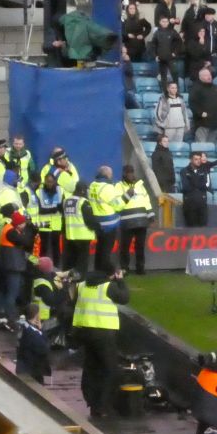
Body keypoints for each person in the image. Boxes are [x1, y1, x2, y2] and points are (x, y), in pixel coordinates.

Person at [73, 268, 129, 420]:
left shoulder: (82, 285)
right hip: (103, 333)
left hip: (85, 330)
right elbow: (124, 298)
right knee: (111, 370)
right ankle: (102, 406)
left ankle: (92, 402)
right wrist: (121, 281)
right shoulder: (108, 286)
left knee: (91, 367)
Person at [0, 211, 35, 328]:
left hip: (5, 265)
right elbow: (26, 242)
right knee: (12, 293)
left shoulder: (8, 228)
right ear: (18, 224)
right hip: (13, 267)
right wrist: (31, 230)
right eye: (23, 223)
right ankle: (11, 318)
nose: (24, 225)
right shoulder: (11, 232)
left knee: (2, 290)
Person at [117, 165, 153, 274]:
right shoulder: (119, 186)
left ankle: (140, 268)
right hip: (127, 221)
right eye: (128, 173)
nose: (130, 175)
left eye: (131, 172)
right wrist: (128, 195)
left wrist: (151, 215)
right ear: (123, 174)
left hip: (141, 221)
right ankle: (124, 268)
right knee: (125, 246)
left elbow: (146, 201)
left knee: (140, 246)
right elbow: (117, 203)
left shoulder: (140, 186)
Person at [88, 167, 122, 272]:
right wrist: (127, 197)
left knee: (99, 249)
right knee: (106, 251)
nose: (111, 176)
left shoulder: (92, 185)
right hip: (109, 224)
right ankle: (107, 273)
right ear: (107, 175)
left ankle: (97, 271)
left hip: (97, 223)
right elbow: (118, 206)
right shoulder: (108, 188)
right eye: (110, 174)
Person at [62, 182, 97, 276]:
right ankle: (80, 283)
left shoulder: (66, 201)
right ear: (82, 190)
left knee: (70, 262)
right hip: (83, 237)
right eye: (86, 191)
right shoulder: (83, 202)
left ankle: (68, 282)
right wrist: (98, 227)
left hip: (70, 236)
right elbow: (90, 221)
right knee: (82, 264)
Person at [180, 152, 217, 227]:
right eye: (196, 159)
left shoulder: (203, 170)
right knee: (191, 229)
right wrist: (198, 181)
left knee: (203, 229)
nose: (198, 161)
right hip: (189, 203)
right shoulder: (184, 171)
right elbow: (186, 187)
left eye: (199, 159)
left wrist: (192, 179)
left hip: (202, 203)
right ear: (191, 160)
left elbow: (205, 185)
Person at [15, 304, 51, 385]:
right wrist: (41, 331)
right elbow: (44, 349)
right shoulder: (32, 332)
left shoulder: (25, 327)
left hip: (24, 367)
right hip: (33, 371)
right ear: (36, 315)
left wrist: (40, 329)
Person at [33, 174, 63, 266]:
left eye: (51, 181)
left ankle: (56, 266)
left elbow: (62, 207)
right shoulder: (39, 192)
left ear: (54, 181)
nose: (49, 184)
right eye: (48, 181)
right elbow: (40, 209)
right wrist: (54, 209)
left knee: (56, 247)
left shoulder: (60, 191)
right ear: (44, 181)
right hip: (44, 224)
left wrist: (58, 209)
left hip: (56, 224)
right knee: (44, 248)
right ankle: (42, 267)